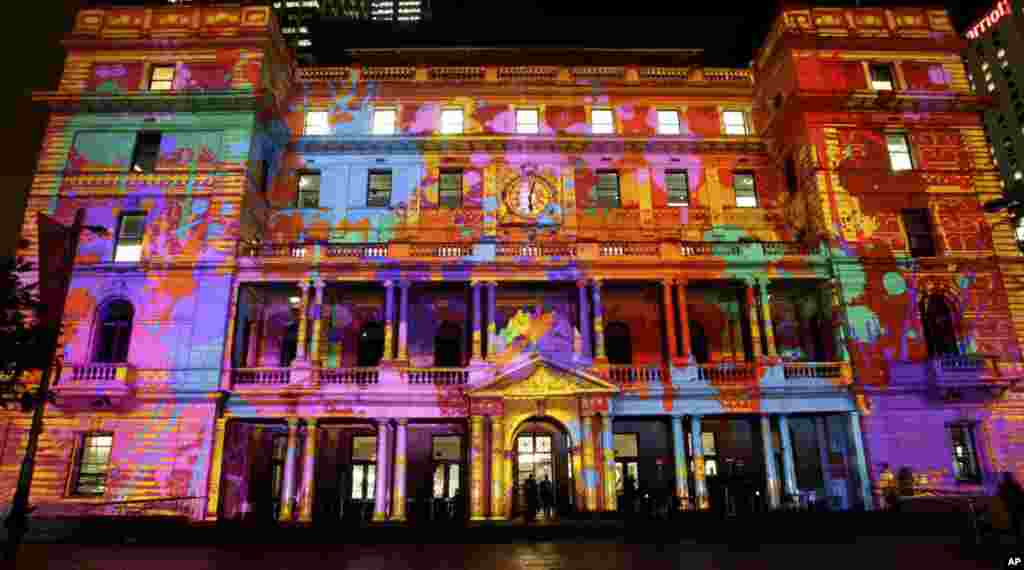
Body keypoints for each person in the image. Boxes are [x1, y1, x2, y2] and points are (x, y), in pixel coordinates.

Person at [998, 471, 1024, 539]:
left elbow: (1001, 496)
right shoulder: (1015, 485)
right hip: (1017, 506)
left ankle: (1017, 535)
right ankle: (1018, 535)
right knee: (1017, 521)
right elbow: (1021, 494)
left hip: (1011, 506)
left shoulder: (1003, 486)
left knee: (1015, 521)